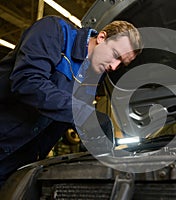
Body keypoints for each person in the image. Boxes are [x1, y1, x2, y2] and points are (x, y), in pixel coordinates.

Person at [0, 15, 142, 187]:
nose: (114, 66)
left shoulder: (94, 77)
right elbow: (28, 81)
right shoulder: (55, 31)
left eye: (121, 64)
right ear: (102, 37)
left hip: (21, 162)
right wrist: (85, 114)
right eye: (115, 55)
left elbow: (65, 114)